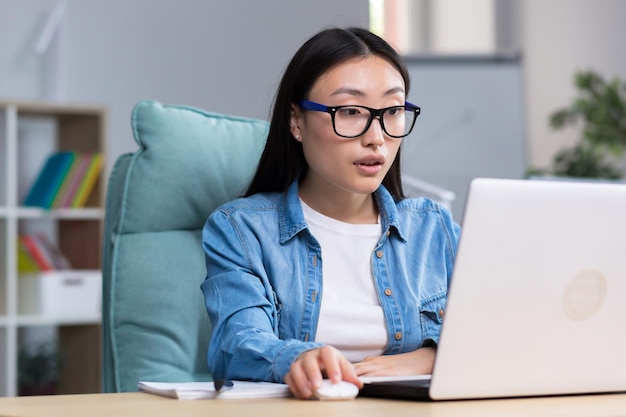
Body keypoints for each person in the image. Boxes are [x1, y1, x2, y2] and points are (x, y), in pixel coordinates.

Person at [200, 26, 461, 400]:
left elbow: (495, 330)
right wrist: (298, 358)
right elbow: (236, 342)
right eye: (350, 111)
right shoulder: (241, 229)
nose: (376, 136)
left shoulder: (434, 229)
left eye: (392, 110)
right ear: (296, 121)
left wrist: (432, 356)